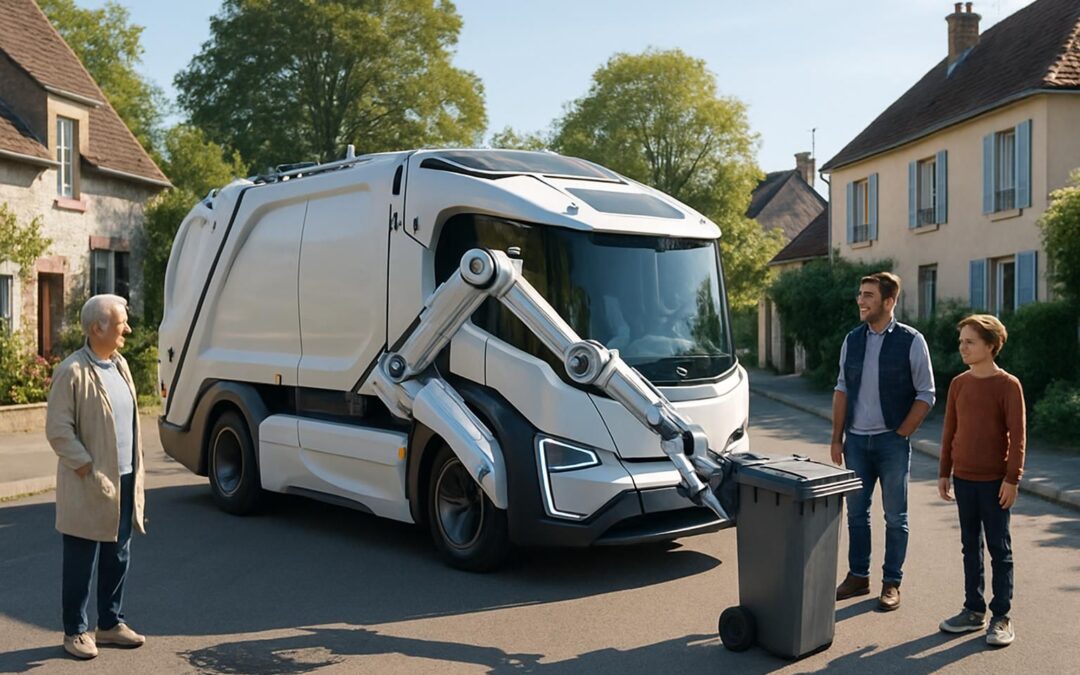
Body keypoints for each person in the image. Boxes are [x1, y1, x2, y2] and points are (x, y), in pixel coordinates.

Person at [46, 294, 147, 659]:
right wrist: (88, 468)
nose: (127, 329)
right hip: (88, 481)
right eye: (121, 324)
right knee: (81, 559)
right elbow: (58, 431)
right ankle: (74, 631)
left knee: (118, 554)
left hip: (124, 477)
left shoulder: (120, 365)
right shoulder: (72, 371)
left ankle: (109, 624)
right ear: (96, 328)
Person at [831, 272, 935, 611]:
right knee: (856, 514)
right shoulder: (852, 339)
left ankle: (892, 582)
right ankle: (858, 576)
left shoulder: (911, 340)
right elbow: (842, 388)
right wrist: (837, 438)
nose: (861, 300)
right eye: (860, 294)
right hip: (857, 443)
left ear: (889, 302)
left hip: (891, 442)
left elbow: (926, 393)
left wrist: (902, 432)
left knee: (895, 517)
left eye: (869, 296)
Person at [937, 314, 1025, 647]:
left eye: (969, 342)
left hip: (994, 482)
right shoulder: (959, 383)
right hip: (964, 478)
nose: (962, 347)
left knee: (999, 549)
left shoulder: (1008, 385)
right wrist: (944, 471)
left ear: (990, 345)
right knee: (969, 546)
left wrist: (1012, 479)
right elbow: (949, 431)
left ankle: (1001, 615)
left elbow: (1017, 436)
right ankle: (973, 610)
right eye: (961, 342)